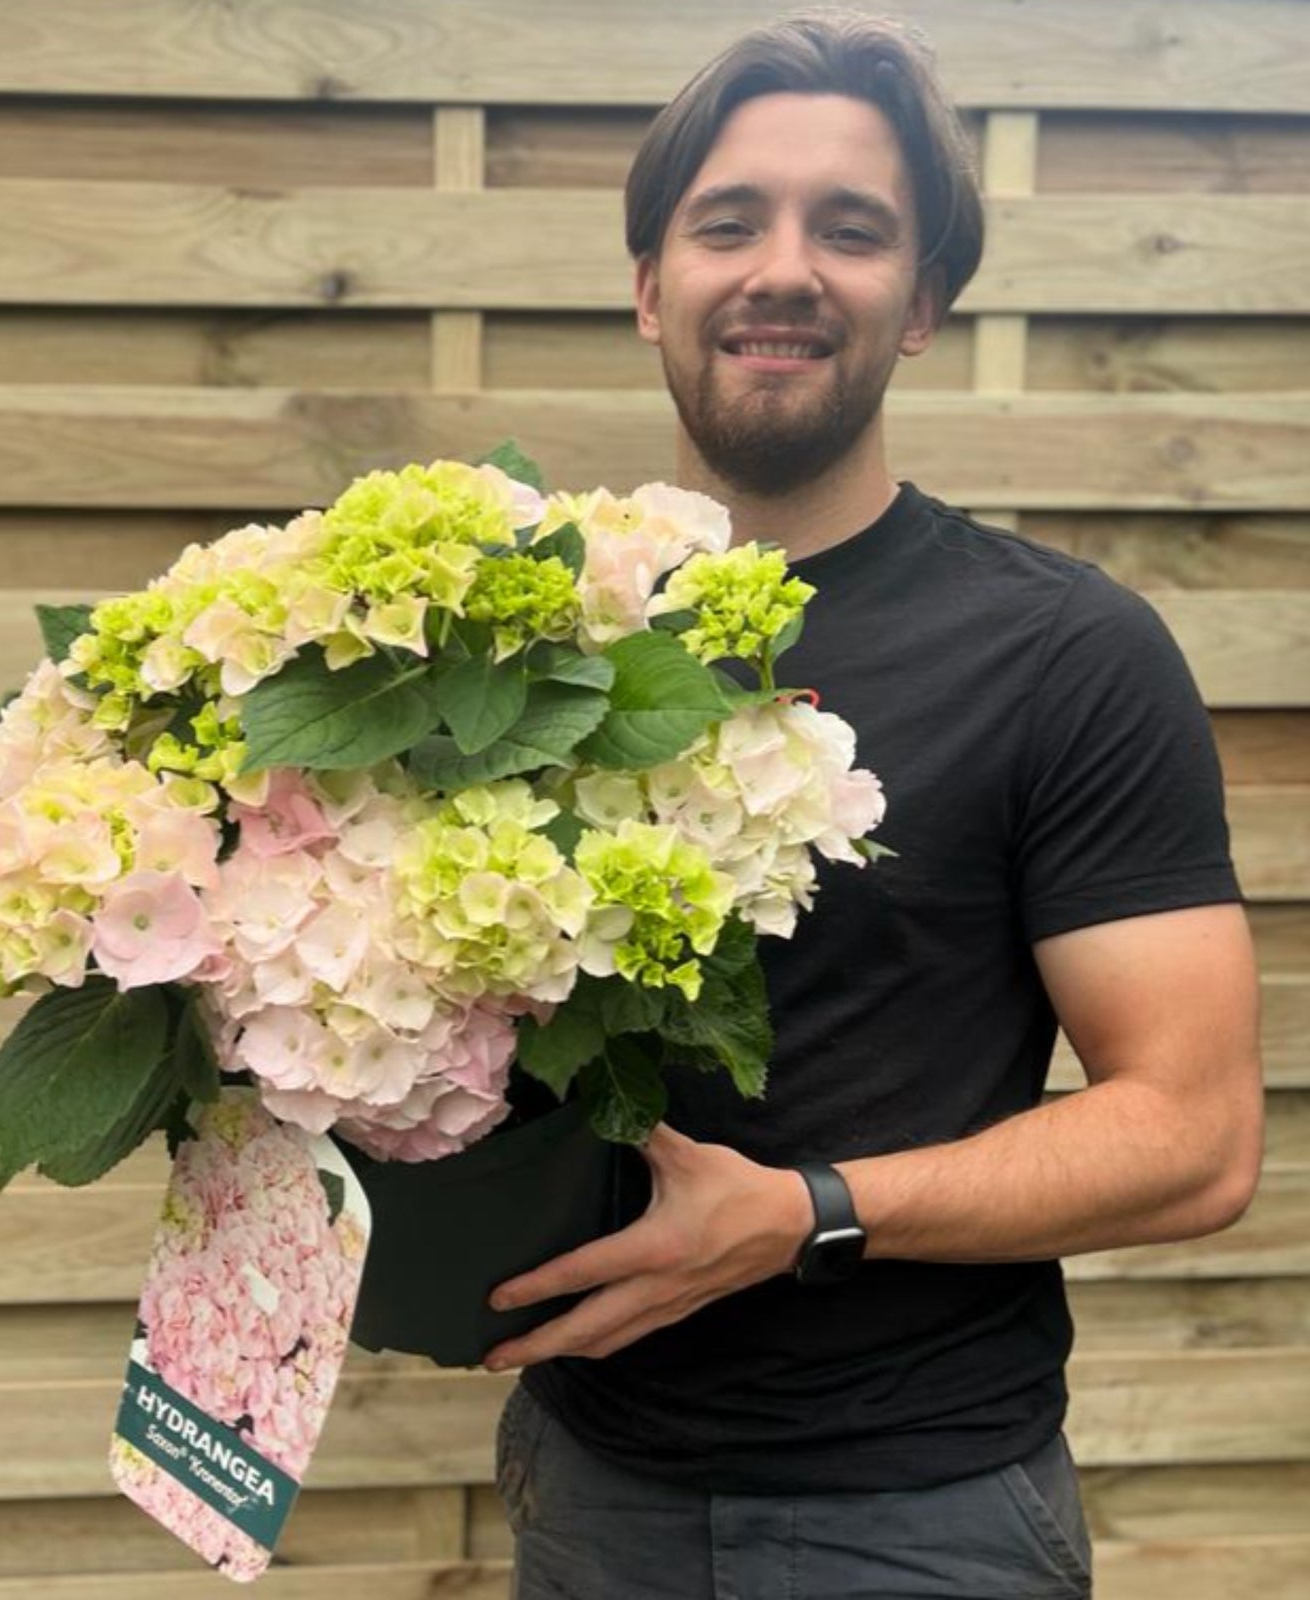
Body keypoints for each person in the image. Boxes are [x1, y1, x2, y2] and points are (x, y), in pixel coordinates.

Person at [480, 11, 1263, 1598]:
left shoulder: (1066, 652)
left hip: (915, 1519)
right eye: (729, 222)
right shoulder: (525, 640)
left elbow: (1196, 1138)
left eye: (852, 230)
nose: (784, 269)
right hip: (585, 1474)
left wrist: (806, 1215)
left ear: (923, 302)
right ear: (650, 287)